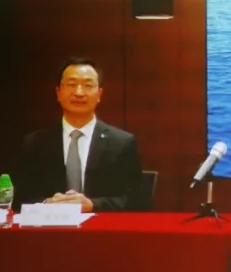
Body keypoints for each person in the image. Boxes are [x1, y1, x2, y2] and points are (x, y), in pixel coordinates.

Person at [13, 57, 143, 212]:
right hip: (50, 225)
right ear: (58, 93)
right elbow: (19, 197)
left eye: (88, 85)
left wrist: (93, 205)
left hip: (101, 225)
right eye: (71, 84)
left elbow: (137, 200)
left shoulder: (122, 143)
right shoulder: (35, 142)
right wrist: (48, 204)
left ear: (99, 94)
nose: (79, 92)